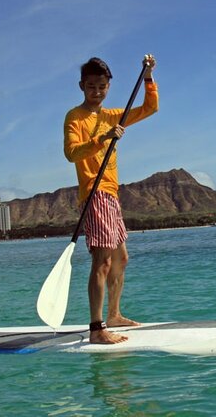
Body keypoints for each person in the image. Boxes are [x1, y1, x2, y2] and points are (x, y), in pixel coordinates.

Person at [63, 55, 158, 344]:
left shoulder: (112, 114)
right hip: (94, 193)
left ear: (108, 86)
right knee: (102, 262)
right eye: (91, 86)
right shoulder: (74, 117)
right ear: (82, 86)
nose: (97, 91)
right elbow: (71, 153)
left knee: (121, 258)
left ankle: (114, 314)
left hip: (112, 193)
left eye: (102, 86)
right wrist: (102, 139)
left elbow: (151, 108)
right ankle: (96, 329)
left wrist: (148, 77)